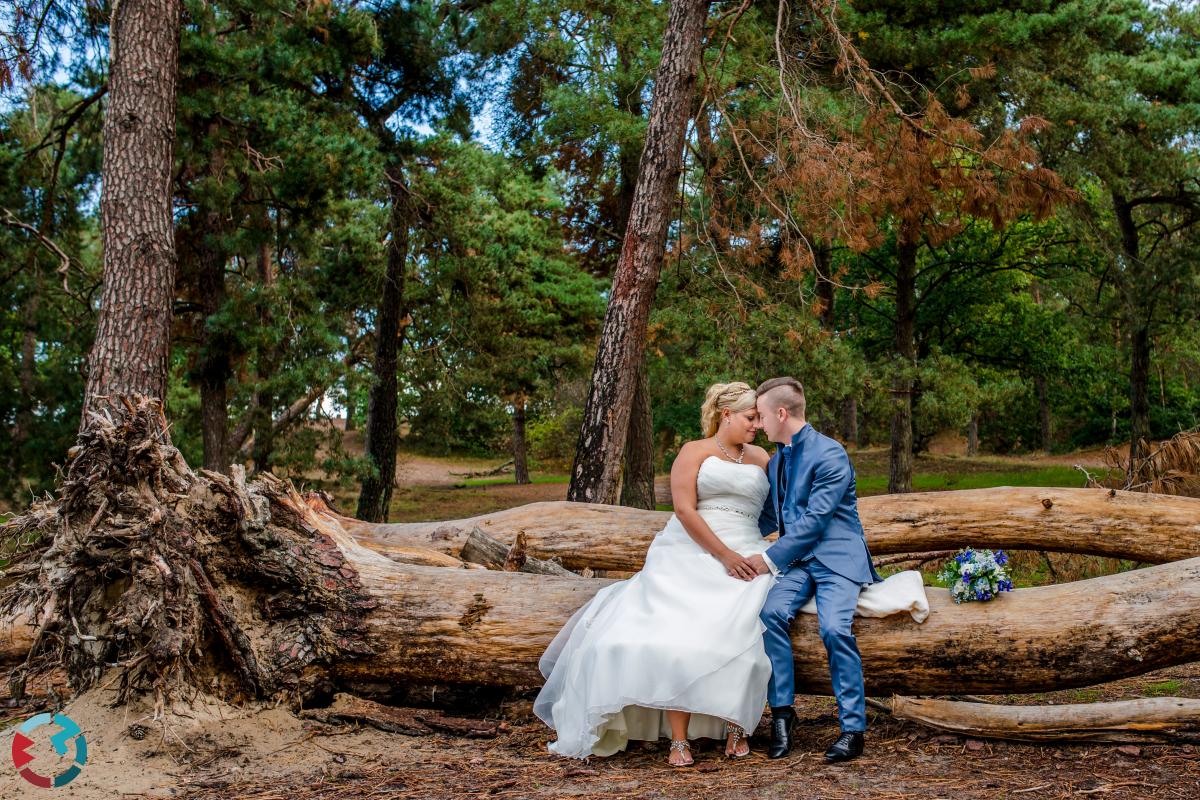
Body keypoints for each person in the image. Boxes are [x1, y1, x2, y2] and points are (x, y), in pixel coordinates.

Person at [534, 382, 775, 766]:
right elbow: (684, 510)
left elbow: (778, 505)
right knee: (675, 632)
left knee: (746, 624)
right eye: (750, 417)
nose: (757, 425)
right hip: (693, 548)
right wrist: (725, 556)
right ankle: (678, 739)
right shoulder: (693, 452)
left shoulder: (762, 456)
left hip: (749, 547)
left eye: (759, 419)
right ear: (726, 414)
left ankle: (737, 724)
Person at [745, 376, 883, 763]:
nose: (758, 424)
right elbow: (770, 516)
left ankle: (853, 729)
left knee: (834, 627)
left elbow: (816, 521)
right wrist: (724, 541)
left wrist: (768, 559)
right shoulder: (777, 460)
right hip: (799, 563)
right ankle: (783, 717)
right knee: (769, 615)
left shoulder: (830, 454)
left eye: (761, 416)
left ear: (782, 413)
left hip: (837, 559)